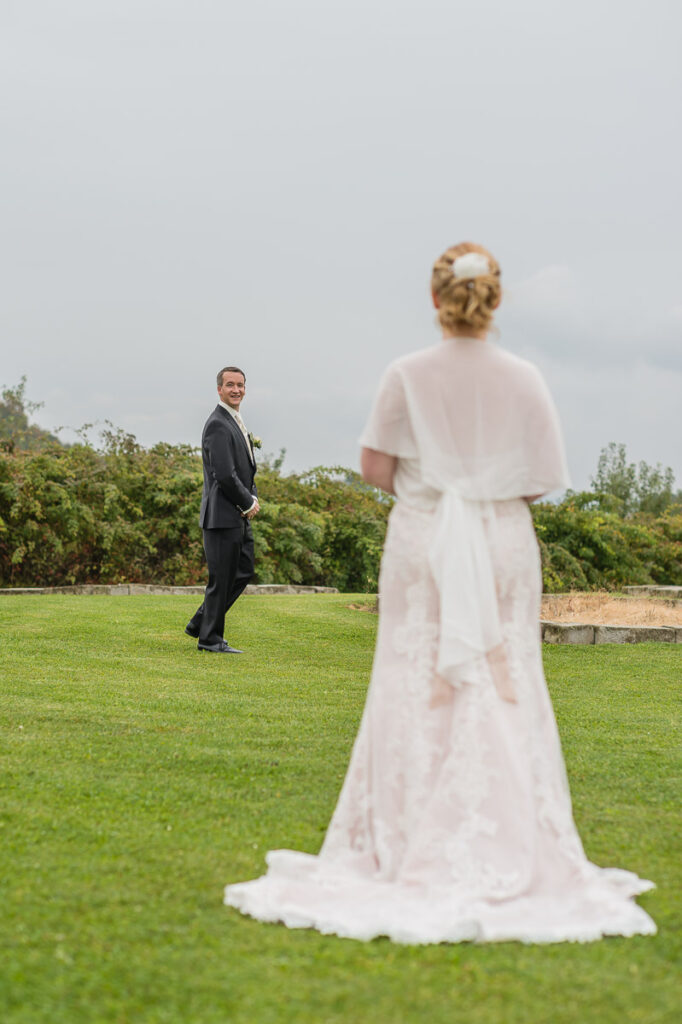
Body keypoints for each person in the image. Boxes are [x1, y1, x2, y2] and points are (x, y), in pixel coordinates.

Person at [224, 244, 656, 943]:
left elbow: (373, 466)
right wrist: (480, 493)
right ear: (496, 299)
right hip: (501, 541)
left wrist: (436, 495)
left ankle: (403, 839)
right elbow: (543, 475)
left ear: (436, 300)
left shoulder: (406, 373)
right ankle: (515, 838)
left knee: (413, 675)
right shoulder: (525, 377)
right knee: (504, 673)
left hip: (424, 538)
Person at [185, 366, 259, 654]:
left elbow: (244, 471)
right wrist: (248, 502)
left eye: (240, 385)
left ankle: (200, 624)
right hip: (221, 516)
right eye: (230, 385)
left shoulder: (234, 421)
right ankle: (210, 639)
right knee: (221, 579)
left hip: (236, 515)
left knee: (243, 570)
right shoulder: (218, 423)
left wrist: (252, 496)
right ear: (219, 389)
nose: (236, 390)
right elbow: (224, 474)